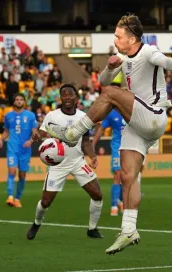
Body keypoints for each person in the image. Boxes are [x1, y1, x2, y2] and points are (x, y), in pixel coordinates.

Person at [45, 14, 172, 254]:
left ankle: (74, 133)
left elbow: (164, 61)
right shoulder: (123, 59)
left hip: (153, 115)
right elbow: (102, 81)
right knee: (127, 175)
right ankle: (128, 230)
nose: (115, 39)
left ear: (132, 38)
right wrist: (110, 66)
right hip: (137, 124)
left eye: (118, 36)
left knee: (112, 93)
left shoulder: (147, 51)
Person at [27, 84, 104, 240]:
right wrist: (36, 136)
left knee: (97, 195)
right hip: (58, 164)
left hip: (78, 161)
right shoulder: (52, 116)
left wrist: (93, 156)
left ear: (76, 97)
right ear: (60, 98)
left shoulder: (83, 116)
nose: (67, 97)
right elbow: (42, 132)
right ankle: (36, 222)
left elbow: (86, 141)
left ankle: (92, 229)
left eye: (70, 94)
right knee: (46, 202)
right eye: (64, 95)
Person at [0, 93, 37, 208]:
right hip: (12, 148)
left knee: (22, 175)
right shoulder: (8, 116)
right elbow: (6, 131)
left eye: (21, 99)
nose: (19, 101)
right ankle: (10, 196)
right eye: (17, 99)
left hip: (25, 150)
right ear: (14, 102)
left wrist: (30, 141)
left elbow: (35, 133)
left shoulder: (30, 116)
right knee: (11, 171)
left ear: (24, 102)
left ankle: (17, 198)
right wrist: (0, 139)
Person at [92, 109, 125, 216]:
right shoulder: (112, 114)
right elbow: (101, 129)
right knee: (117, 175)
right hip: (117, 148)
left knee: (126, 178)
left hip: (130, 148)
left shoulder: (132, 109)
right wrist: (92, 145)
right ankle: (114, 206)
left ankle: (121, 201)